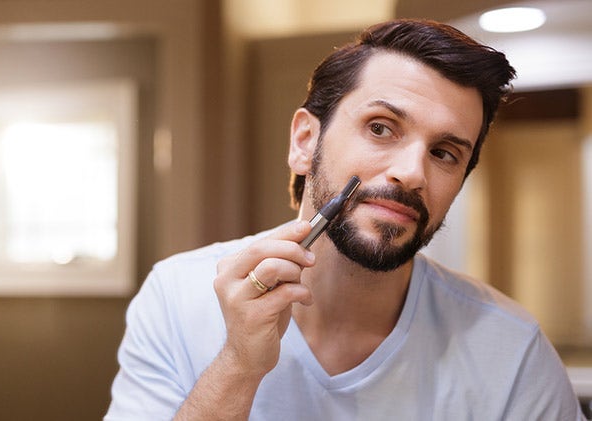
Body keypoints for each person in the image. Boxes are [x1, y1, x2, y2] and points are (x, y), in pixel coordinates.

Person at [105, 19, 584, 420]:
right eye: (380, 128)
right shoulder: (175, 297)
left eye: (443, 153)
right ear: (304, 141)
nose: (412, 173)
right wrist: (237, 367)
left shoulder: (512, 350)